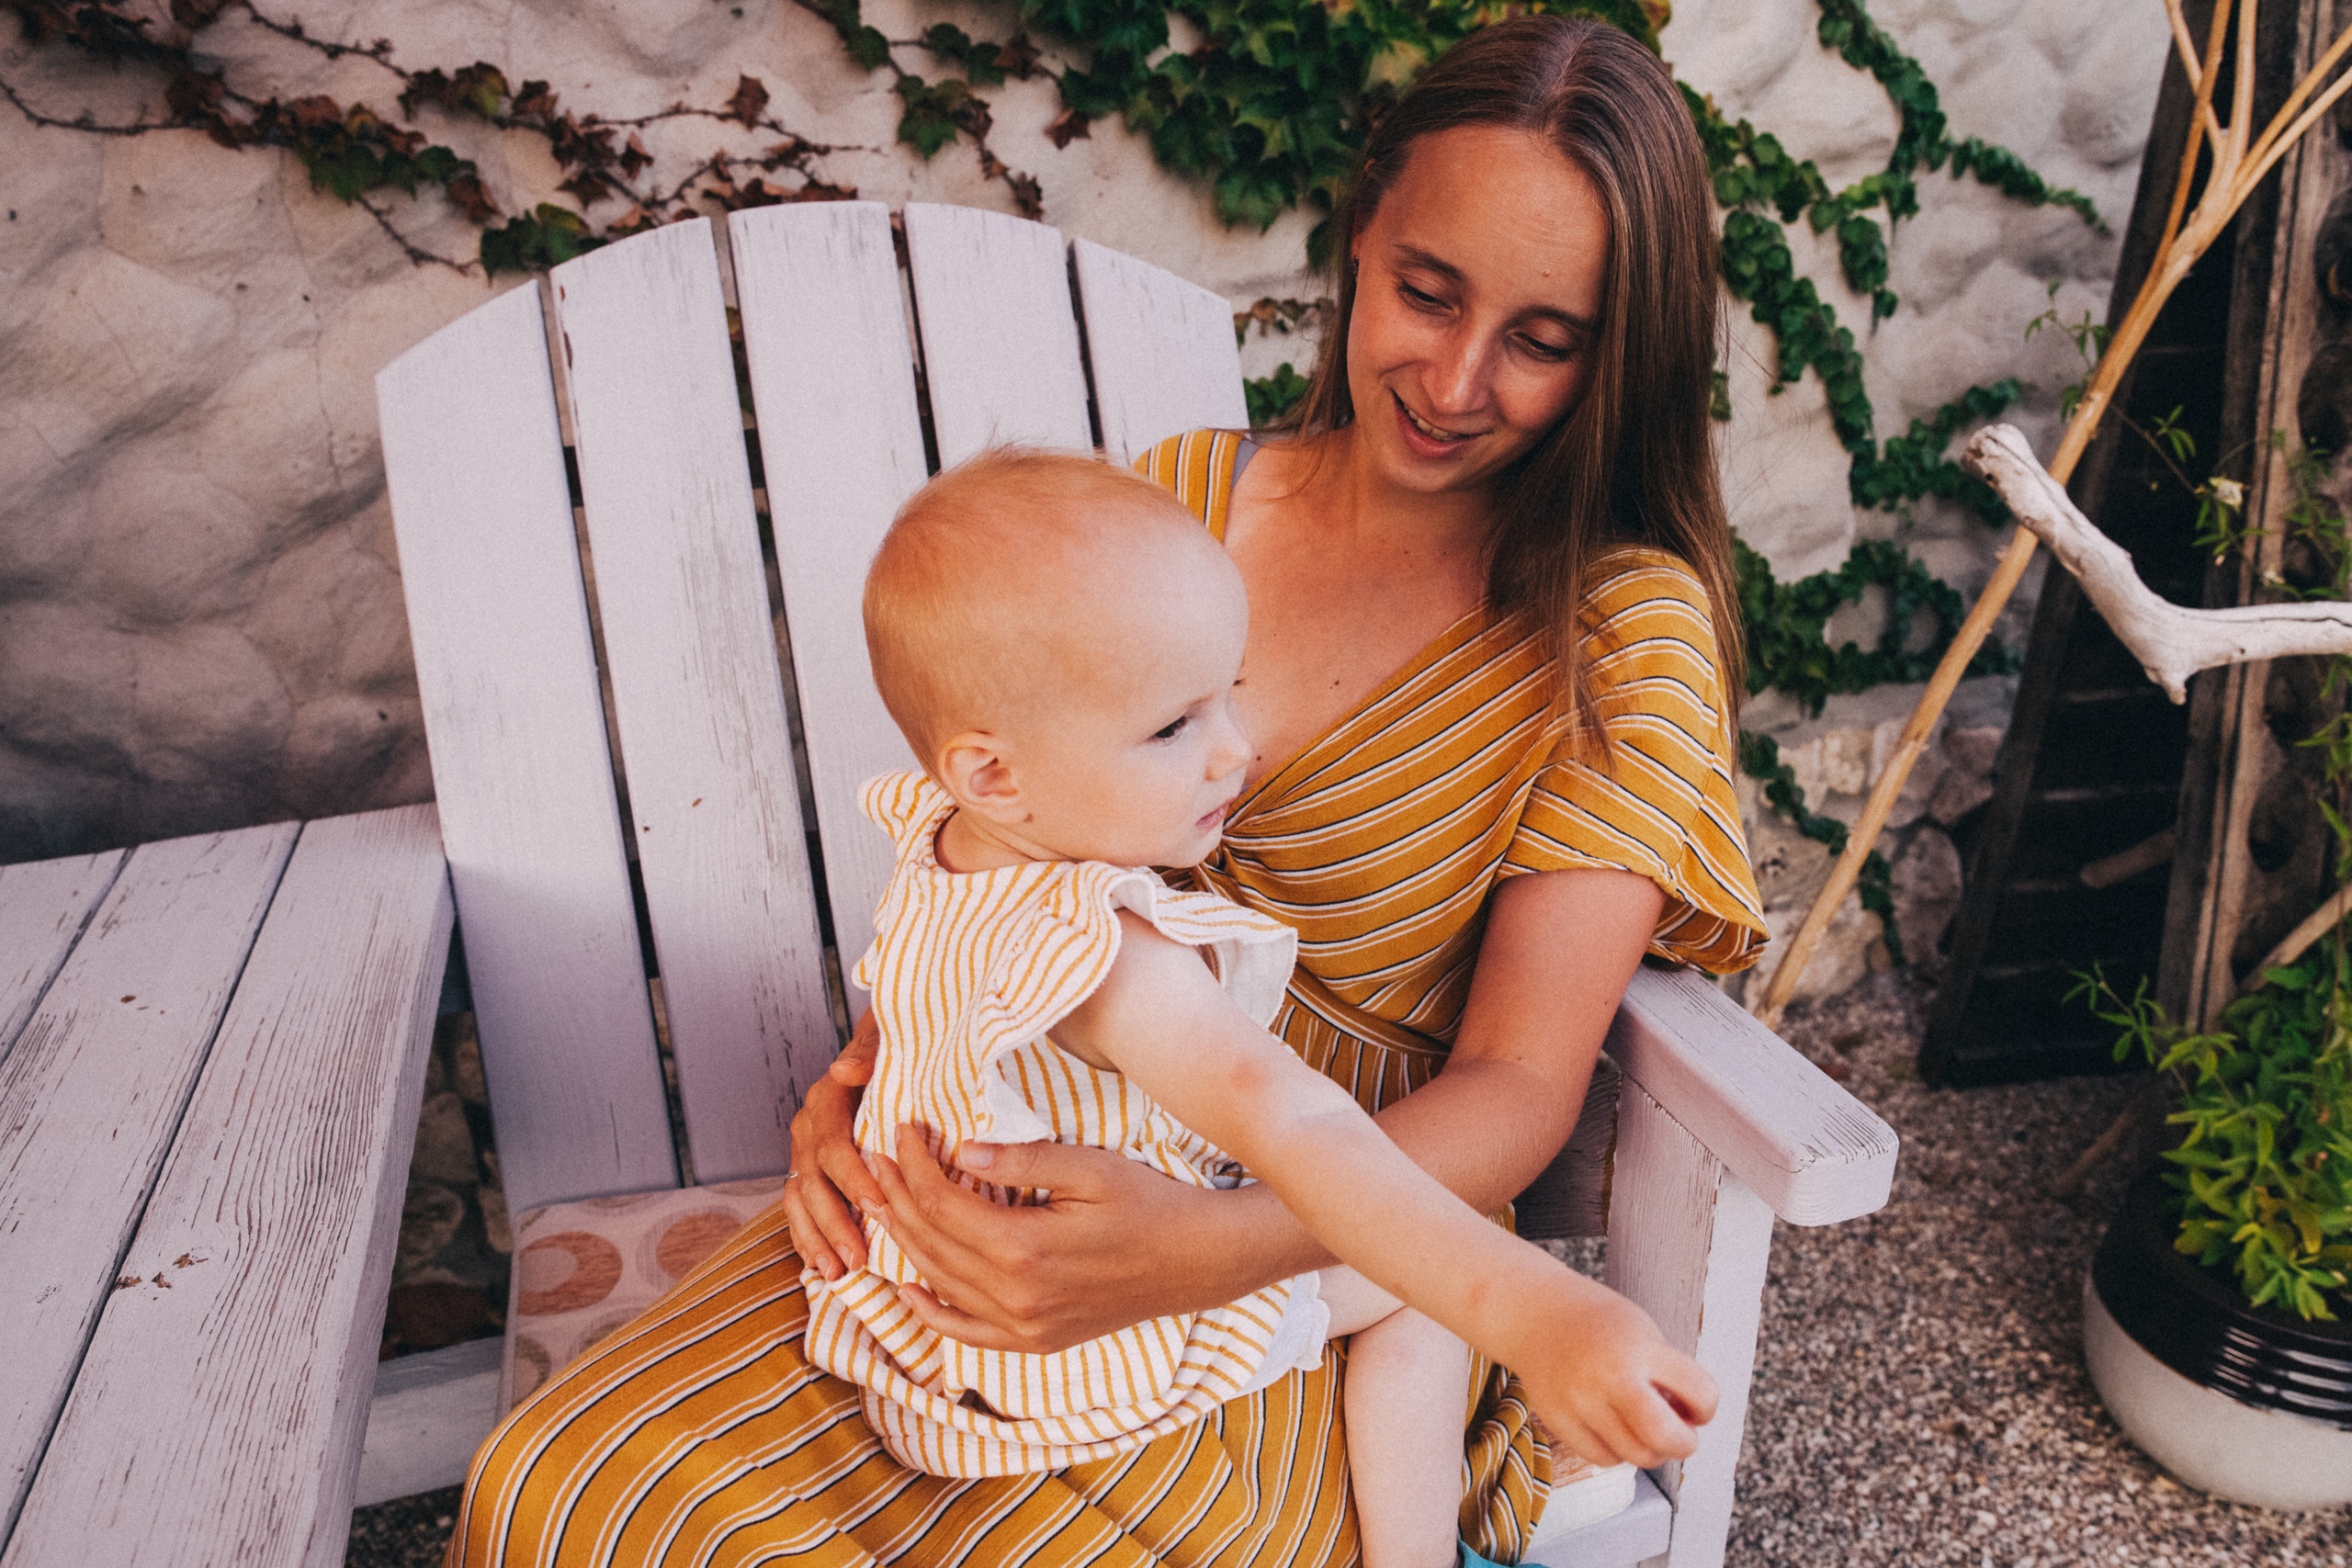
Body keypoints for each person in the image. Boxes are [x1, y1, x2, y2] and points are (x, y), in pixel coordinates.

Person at [446, 16, 1767, 1565]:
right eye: (1427, 290)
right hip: (986, 1176)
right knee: (571, 1492)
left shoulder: (1619, 635)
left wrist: (1198, 1251)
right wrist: (866, 1077)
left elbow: (1521, 1092)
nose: (1457, 378)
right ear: (1362, 237)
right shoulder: (1179, 501)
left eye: (1545, 339)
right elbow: (1000, 844)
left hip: (1305, 1251)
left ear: (1621, 354)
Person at [813, 447, 1713, 1568]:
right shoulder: (1108, 956)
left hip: (923, 1334)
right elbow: (1294, 1124)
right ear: (996, 773)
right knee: (1414, 1292)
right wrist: (1542, 1316)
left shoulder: (941, 840)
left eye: (1226, 695)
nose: (1237, 754)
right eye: (1172, 728)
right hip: (1081, 1355)